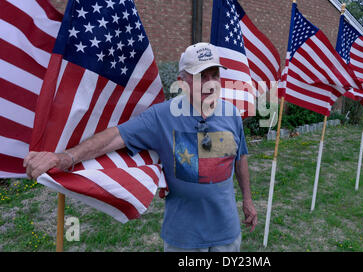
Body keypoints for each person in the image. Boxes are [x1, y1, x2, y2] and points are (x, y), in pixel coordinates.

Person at [24, 42, 257, 252]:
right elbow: (114, 137)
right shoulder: (162, 116)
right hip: (183, 238)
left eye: (214, 75)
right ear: (182, 82)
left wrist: (247, 200)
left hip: (227, 234)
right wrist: (65, 158)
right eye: (200, 76)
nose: (209, 84)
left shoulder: (232, 115)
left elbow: (240, 158)